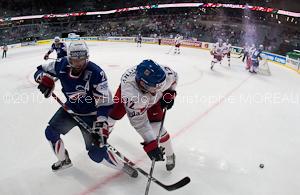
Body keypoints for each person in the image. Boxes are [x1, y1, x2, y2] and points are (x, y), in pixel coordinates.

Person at [33, 41, 138, 177]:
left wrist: (100, 124)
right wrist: (43, 78)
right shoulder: (60, 64)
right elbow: (39, 69)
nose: (79, 64)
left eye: (82, 60)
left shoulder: (96, 73)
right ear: (69, 58)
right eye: (75, 60)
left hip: (91, 115)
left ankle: (122, 166)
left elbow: (104, 102)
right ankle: (64, 160)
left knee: (96, 154)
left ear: (86, 57)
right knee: (50, 133)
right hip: (70, 109)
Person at [107, 59, 178, 171]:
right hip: (130, 96)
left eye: (161, 86)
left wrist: (169, 93)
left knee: (156, 128)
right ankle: (104, 134)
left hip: (150, 99)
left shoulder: (165, 75)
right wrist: (151, 144)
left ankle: (170, 154)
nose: (157, 90)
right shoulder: (131, 94)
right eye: (153, 88)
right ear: (141, 83)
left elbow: (174, 79)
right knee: (111, 116)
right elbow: (140, 123)